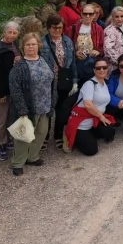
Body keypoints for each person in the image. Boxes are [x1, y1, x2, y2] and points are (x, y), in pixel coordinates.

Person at [9, 33, 56, 176]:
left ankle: (32, 157)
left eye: (33, 44)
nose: (31, 47)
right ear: (23, 47)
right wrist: (22, 108)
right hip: (29, 108)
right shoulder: (20, 67)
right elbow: (15, 89)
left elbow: (53, 81)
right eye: (28, 44)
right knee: (24, 137)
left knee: (41, 133)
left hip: (45, 105)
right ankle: (18, 163)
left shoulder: (45, 60)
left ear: (38, 45)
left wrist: (53, 101)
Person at [40, 15, 78, 151]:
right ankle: (44, 137)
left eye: (60, 27)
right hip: (48, 81)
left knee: (62, 109)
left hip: (64, 80)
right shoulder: (42, 42)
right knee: (47, 109)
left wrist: (75, 80)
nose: (57, 30)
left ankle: (58, 135)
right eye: (54, 27)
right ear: (48, 27)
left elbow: (72, 62)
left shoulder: (68, 41)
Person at [64, 58, 116, 156]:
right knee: (92, 151)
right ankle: (71, 137)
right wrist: (101, 117)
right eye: (98, 68)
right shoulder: (89, 84)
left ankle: (89, 136)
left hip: (94, 121)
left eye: (104, 67)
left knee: (110, 130)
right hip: (82, 124)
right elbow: (88, 105)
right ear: (94, 70)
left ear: (107, 69)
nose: (101, 70)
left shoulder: (104, 83)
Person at [0, 21, 21, 162]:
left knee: (10, 117)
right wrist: (0, 93)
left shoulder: (16, 45)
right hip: (1, 89)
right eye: (9, 32)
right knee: (0, 119)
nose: (12, 35)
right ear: (4, 32)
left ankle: (7, 140)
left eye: (15, 33)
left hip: (13, 88)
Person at [69, 2, 105, 87]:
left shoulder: (99, 29)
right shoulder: (73, 28)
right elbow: (67, 46)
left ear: (94, 15)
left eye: (90, 14)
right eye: (85, 13)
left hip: (92, 66)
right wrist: (75, 53)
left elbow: (103, 47)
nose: (88, 16)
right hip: (77, 65)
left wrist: (98, 51)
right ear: (81, 14)